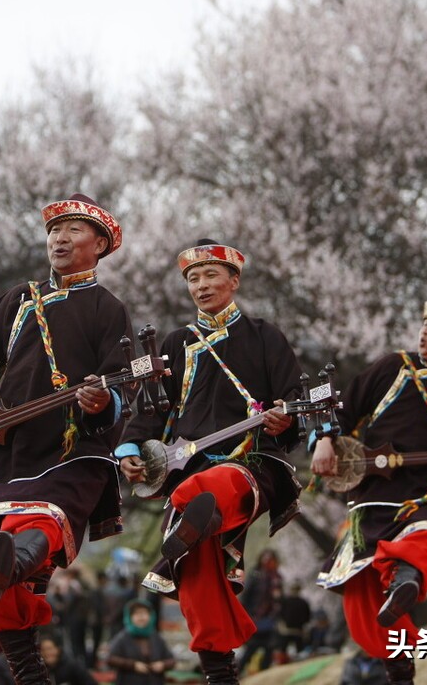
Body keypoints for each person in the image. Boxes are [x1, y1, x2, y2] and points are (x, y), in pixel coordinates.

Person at [0, 194, 131, 685]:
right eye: (54, 230)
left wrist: (103, 402)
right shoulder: (17, 300)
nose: (59, 238)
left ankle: (15, 560)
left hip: (72, 449)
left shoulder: (107, 308)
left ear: (99, 245)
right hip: (5, 448)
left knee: (40, 523)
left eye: (73, 230)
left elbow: (121, 381)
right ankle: (30, 673)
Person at [117, 239, 305, 685]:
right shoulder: (177, 342)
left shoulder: (264, 336)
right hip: (187, 464)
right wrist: (130, 448)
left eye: (210, 275)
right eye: (193, 278)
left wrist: (285, 418)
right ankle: (220, 674)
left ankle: (190, 517)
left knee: (201, 492)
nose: (200, 285)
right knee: (197, 570)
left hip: (250, 463)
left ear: (233, 281)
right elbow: (154, 408)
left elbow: (294, 398)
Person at [312, 298, 427, 685]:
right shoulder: (390, 367)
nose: (424, 330)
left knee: (421, 537)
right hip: (371, 496)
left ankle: (406, 579)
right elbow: (344, 410)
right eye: (424, 323)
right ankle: (399, 670)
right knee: (360, 597)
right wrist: (325, 441)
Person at [105, 600, 175, 685]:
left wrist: (162, 665)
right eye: (137, 614)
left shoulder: (156, 637)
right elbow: (110, 659)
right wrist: (133, 665)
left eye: (145, 613)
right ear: (130, 617)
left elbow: (171, 660)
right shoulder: (123, 638)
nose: (141, 617)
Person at [236, 549, 282, 672]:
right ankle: (238, 672)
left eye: (271, 560)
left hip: (271, 619)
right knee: (252, 647)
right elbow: (246, 596)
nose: (268, 562)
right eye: (266, 559)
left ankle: (264, 673)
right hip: (255, 618)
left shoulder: (277, 578)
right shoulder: (255, 575)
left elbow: (280, 599)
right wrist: (245, 616)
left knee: (269, 648)